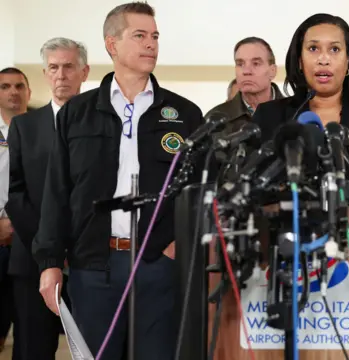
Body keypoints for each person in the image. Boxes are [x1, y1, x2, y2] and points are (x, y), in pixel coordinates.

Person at [33, 3, 203, 359]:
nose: (151, 44)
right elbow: (56, 193)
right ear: (111, 44)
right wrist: (50, 261)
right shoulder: (76, 114)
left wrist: (177, 246)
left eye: (154, 36)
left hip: (158, 264)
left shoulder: (184, 113)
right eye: (139, 36)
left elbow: (200, 189)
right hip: (94, 266)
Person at [251, 13, 349, 182]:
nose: (324, 59)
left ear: (348, 60)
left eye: (334, 49)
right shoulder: (268, 117)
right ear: (299, 60)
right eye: (313, 49)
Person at [5, 37, 89, 360]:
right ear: (44, 72)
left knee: (95, 348)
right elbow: (15, 193)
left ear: (84, 71)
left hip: (89, 261)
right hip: (32, 262)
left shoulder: (103, 123)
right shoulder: (25, 127)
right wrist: (48, 250)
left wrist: (74, 247)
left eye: (69, 67)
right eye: (53, 67)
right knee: (32, 351)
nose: (61, 75)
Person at [0, 66, 30, 354]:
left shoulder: (42, 130)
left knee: (27, 326)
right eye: (5, 86)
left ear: (28, 92)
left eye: (19, 86)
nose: (13, 92)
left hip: (28, 240)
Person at [206, 37, 284, 134]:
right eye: (240, 64)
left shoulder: (296, 113)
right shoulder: (214, 119)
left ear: (272, 71)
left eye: (256, 63)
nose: (246, 71)